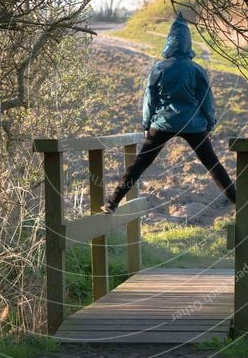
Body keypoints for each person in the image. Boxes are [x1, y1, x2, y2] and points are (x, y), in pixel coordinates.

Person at [102, 12, 237, 214]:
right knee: (212, 164)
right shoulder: (197, 70)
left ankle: (112, 203)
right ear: (188, 43)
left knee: (140, 164)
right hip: (193, 125)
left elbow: (150, 100)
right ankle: (239, 202)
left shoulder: (159, 68)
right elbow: (206, 101)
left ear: (169, 42)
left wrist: (147, 125)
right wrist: (209, 125)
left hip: (162, 123)